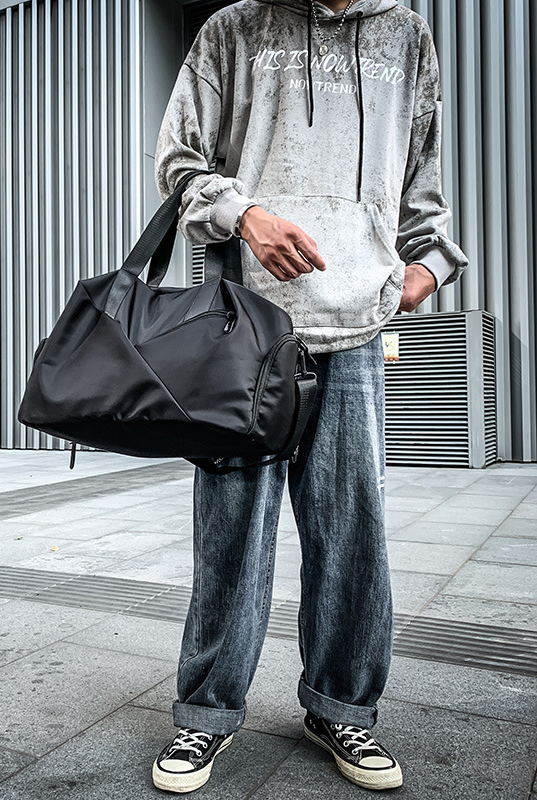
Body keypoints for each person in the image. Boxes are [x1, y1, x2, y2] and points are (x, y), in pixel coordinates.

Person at [151, 0, 468, 793]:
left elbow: (421, 178)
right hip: (245, 329)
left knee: (352, 535)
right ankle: (208, 714)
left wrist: (429, 267)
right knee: (232, 533)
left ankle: (341, 707)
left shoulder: (406, 35)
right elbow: (179, 157)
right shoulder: (235, 28)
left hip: (358, 326)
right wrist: (244, 212)